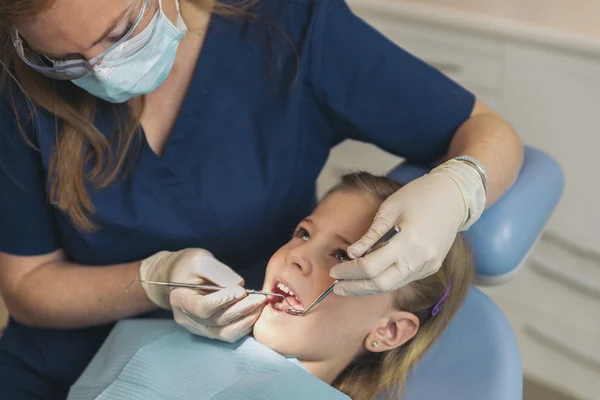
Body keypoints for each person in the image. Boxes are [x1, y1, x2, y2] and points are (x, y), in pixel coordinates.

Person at [0, 0, 522, 398]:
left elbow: (485, 131)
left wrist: (458, 189)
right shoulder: (15, 85)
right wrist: (153, 279)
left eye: (120, 32)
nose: (102, 72)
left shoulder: (288, 26)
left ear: (388, 330)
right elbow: (27, 285)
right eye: (64, 62)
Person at [68, 173, 474, 400]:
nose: (295, 256)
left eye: (343, 255)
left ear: (387, 331)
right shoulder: (167, 334)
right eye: (303, 233)